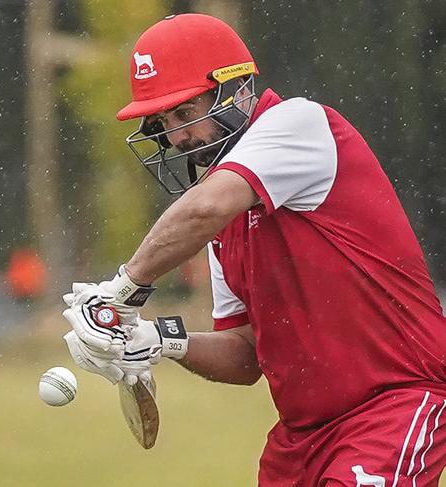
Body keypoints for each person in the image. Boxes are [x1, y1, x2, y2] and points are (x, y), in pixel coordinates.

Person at [61, 13, 446, 486]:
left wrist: (121, 291)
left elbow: (204, 208)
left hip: (393, 406)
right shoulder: (222, 220)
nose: (176, 135)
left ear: (237, 91)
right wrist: (158, 340)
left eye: (185, 113)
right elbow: (245, 356)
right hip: (301, 440)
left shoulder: (298, 123)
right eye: (163, 122)